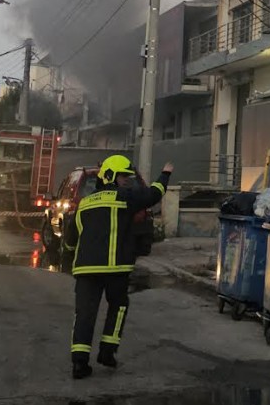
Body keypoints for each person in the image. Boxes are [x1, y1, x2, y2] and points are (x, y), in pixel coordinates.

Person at [63, 155, 173, 379]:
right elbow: (154, 193)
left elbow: (70, 238)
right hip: (115, 268)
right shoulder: (125, 197)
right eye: (124, 176)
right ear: (111, 175)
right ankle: (107, 352)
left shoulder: (85, 203)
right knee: (119, 306)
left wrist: (70, 256)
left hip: (86, 271)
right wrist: (166, 173)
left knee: (84, 314)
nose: (127, 181)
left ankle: (79, 364)